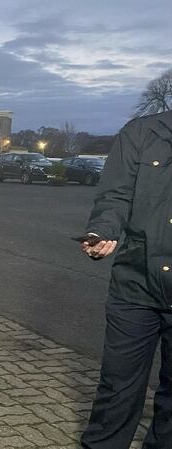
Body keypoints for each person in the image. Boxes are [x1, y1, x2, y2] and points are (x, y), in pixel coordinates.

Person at [79, 110, 172, 449]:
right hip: (136, 284)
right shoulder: (142, 132)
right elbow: (114, 196)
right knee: (118, 391)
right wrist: (101, 231)